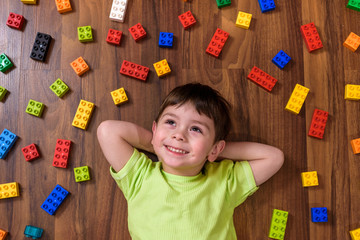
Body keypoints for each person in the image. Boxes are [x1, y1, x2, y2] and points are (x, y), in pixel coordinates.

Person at [97, 83, 284, 240]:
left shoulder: (224, 182)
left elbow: (274, 158)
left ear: (215, 148)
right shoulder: (140, 176)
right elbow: (107, 131)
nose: (178, 135)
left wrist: (211, 150)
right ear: (155, 129)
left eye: (196, 129)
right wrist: (156, 143)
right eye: (171, 122)